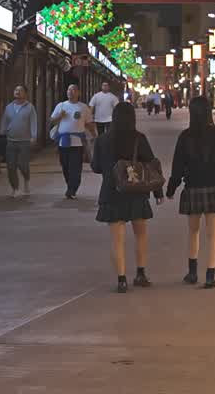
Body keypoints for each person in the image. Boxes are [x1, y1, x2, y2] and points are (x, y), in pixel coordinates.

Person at [91, 102, 163, 293]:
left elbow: (96, 167)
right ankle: (140, 274)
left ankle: (121, 279)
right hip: (136, 193)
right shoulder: (139, 138)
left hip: (112, 193)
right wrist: (158, 193)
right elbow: (151, 167)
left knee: (117, 240)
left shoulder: (102, 140)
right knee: (141, 235)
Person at [166, 96, 215, 288]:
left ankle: (192, 273)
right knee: (213, 236)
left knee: (193, 232)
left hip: (193, 190)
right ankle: (210, 276)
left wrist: (170, 189)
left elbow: (177, 167)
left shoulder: (185, 137)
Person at [51, 85, 95, 200]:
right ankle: (70, 186)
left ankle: (72, 189)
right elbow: (52, 120)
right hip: (63, 142)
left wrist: (95, 136)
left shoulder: (83, 107)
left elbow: (89, 123)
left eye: (73, 90)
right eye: (69, 90)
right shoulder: (61, 106)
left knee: (75, 167)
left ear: (78, 93)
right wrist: (60, 116)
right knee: (65, 166)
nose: (70, 92)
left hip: (77, 143)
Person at [0, 85, 37, 198]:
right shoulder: (9, 107)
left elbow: (33, 122)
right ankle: (15, 188)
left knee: (23, 164)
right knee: (11, 166)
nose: (17, 92)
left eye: (20, 90)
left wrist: (33, 136)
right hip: (10, 141)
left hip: (24, 141)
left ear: (25, 93)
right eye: (16, 90)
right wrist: (1, 133)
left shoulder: (30, 107)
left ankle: (26, 179)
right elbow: (4, 121)